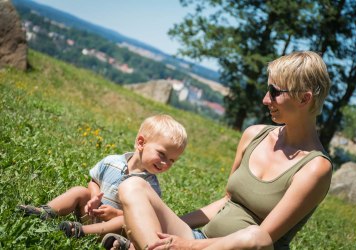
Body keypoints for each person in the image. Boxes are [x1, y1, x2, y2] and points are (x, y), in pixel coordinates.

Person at [103, 51, 333, 250]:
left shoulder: (315, 168)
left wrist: (189, 246)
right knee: (133, 185)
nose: (265, 99)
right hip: (200, 241)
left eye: (275, 92)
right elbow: (227, 200)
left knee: (255, 234)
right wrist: (163, 226)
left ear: (304, 99)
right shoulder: (254, 135)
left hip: (215, 246)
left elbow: (262, 239)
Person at [17, 114, 188, 243]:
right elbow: (94, 181)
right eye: (162, 154)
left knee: (123, 220)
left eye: (172, 160)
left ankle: (81, 231)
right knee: (79, 191)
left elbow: (145, 218)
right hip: (90, 212)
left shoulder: (150, 187)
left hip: (110, 229)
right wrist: (94, 196)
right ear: (141, 143)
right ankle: (45, 212)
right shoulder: (111, 161)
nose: (166, 163)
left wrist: (117, 213)